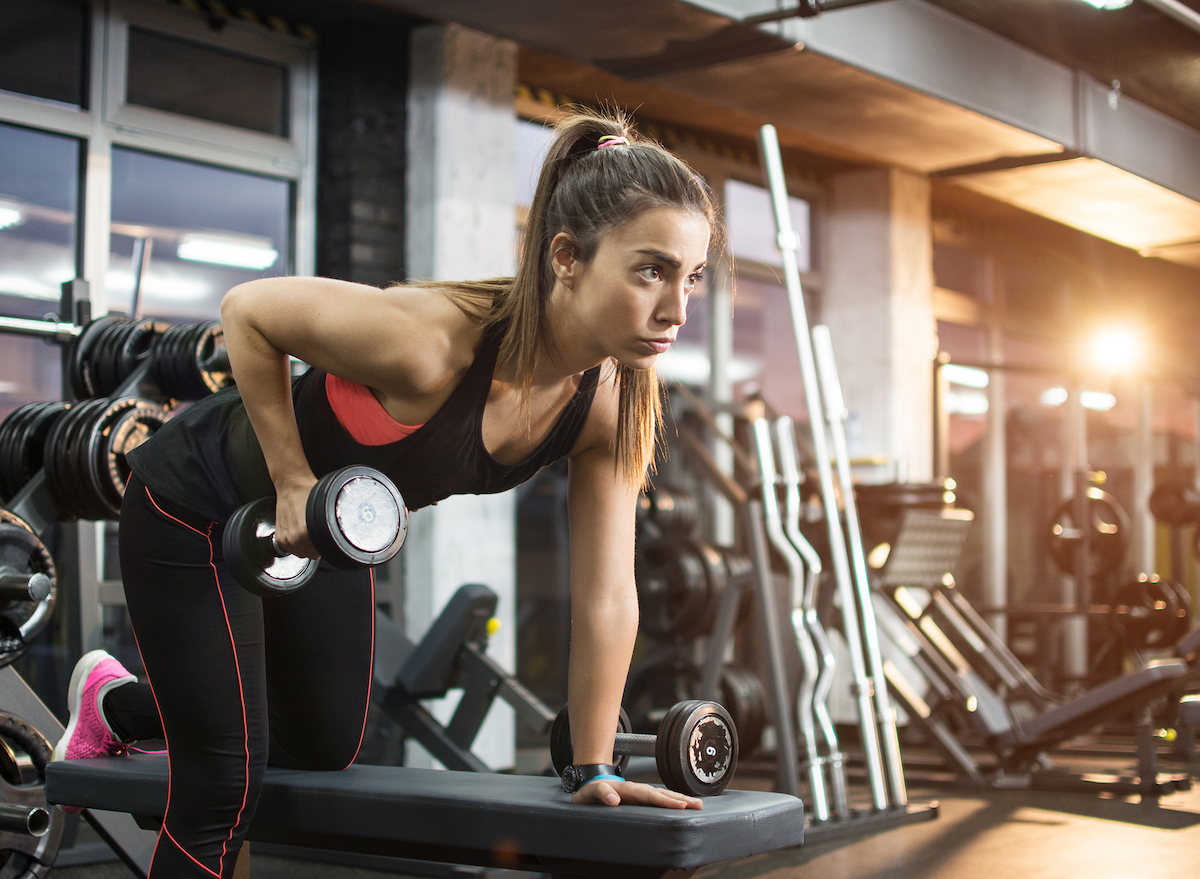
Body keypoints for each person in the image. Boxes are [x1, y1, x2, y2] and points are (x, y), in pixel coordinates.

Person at [51, 109, 717, 879]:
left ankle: (117, 704)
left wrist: (593, 765)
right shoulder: (431, 342)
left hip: (320, 538)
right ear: (567, 257)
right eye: (651, 270)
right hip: (198, 500)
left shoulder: (610, 399)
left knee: (326, 746)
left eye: (691, 276)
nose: (677, 309)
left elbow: (607, 593)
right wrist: (294, 478)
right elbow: (249, 313)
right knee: (223, 785)